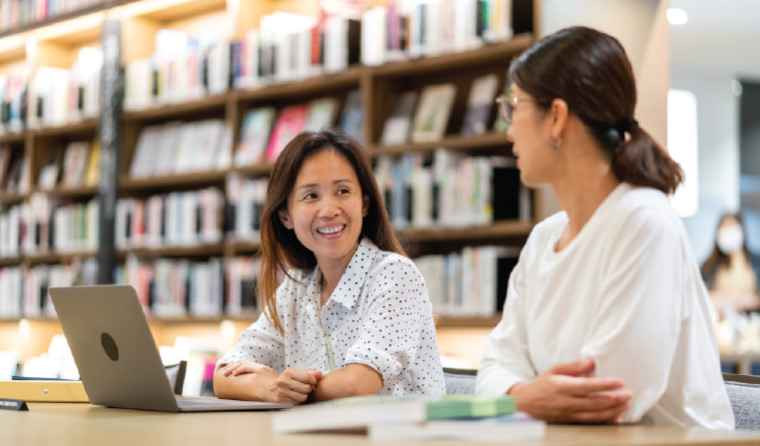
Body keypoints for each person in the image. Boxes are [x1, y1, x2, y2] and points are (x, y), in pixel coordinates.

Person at [475, 26, 734, 428]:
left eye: (514, 106)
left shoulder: (644, 222)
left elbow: (609, 398)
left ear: (556, 117)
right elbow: (493, 368)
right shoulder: (543, 238)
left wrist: (517, 397)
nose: (507, 128)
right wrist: (525, 396)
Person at [213, 128, 445, 404]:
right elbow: (224, 375)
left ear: (364, 204)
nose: (329, 210)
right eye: (311, 196)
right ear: (286, 216)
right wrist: (271, 387)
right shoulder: (296, 288)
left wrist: (290, 389)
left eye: (343, 191)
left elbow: (359, 385)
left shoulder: (394, 274)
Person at [701, 213, 760, 314]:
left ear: (742, 230)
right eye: (724, 229)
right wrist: (720, 298)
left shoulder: (756, 261)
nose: (728, 233)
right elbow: (700, 294)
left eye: (732, 228)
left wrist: (745, 301)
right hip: (720, 318)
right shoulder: (708, 265)